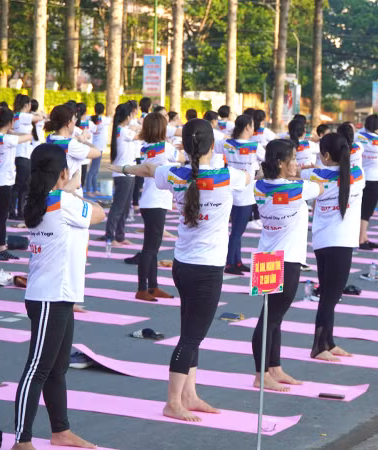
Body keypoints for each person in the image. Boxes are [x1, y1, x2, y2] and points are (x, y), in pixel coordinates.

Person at [111, 119, 251, 422]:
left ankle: (189, 395)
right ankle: (173, 402)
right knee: (191, 338)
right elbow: (250, 176)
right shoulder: (228, 176)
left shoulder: (173, 173)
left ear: (184, 146)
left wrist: (123, 168)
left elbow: (149, 169)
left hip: (183, 265)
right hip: (206, 269)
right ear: (212, 146)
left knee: (191, 333)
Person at [12, 144, 103, 450]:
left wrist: (69, 189)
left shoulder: (42, 200)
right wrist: (73, 190)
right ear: (63, 173)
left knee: (57, 367)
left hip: (58, 294)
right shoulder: (63, 201)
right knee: (37, 369)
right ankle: (22, 440)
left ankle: (60, 431)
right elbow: (99, 213)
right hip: (49, 296)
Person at [252, 139, 323, 390]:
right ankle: (261, 375)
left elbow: (261, 178)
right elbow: (320, 187)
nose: (297, 163)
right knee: (270, 319)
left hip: (266, 257)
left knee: (274, 317)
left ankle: (274, 368)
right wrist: (301, 173)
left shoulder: (259, 186)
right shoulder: (298, 188)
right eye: (293, 159)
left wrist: (290, 174)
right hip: (286, 260)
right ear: (281, 162)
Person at [301, 133, 365, 361]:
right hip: (341, 242)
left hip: (322, 241)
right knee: (330, 297)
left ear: (326, 155)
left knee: (329, 295)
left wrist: (314, 166)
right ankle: (319, 347)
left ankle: (328, 342)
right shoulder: (358, 174)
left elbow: (303, 172)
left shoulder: (315, 174)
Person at [134, 112, 178, 301]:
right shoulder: (166, 147)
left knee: (152, 247)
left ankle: (152, 286)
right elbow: (182, 158)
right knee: (150, 248)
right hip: (156, 201)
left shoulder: (146, 147)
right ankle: (142, 288)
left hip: (149, 200)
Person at [217, 114, 265, 275]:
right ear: (247, 127)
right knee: (237, 231)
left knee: (236, 230)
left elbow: (210, 146)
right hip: (245, 194)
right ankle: (230, 263)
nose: (253, 129)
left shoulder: (227, 143)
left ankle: (237, 261)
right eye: (252, 126)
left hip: (229, 191)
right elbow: (269, 158)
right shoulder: (254, 146)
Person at [0, 107, 33, 260]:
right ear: (9, 122)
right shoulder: (7, 139)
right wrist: (14, 132)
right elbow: (29, 136)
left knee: (2, 216)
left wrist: (11, 131)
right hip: (3, 181)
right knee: (0, 217)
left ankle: (1, 247)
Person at [101, 103, 138, 245]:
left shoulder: (121, 130)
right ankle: (110, 236)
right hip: (123, 174)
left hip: (128, 172)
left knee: (125, 207)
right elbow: (139, 135)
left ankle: (120, 235)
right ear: (128, 116)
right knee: (118, 207)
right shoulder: (122, 131)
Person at [11, 94, 45, 220]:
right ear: (27, 105)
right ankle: (16, 211)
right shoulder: (23, 115)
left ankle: (17, 211)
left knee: (21, 185)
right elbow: (40, 117)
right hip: (23, 154)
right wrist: (41, 114)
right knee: (21, 185)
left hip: (22, 153)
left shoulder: (17, 115)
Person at [356, 114, 378, 250]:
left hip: (361, 177)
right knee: (367, 211)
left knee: (362, 209)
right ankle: (361, 239)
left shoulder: (359, 137)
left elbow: (358, 133)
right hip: (375, 179)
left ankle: (364, 237)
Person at [87, 103, 108, 195]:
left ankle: (95, 189)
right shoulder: (105, 120)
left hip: (95, 146)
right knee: (93, 170)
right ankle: (89, 190)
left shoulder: (90, 118)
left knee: (95, 170)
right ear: (103, 110)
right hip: (98, 148)